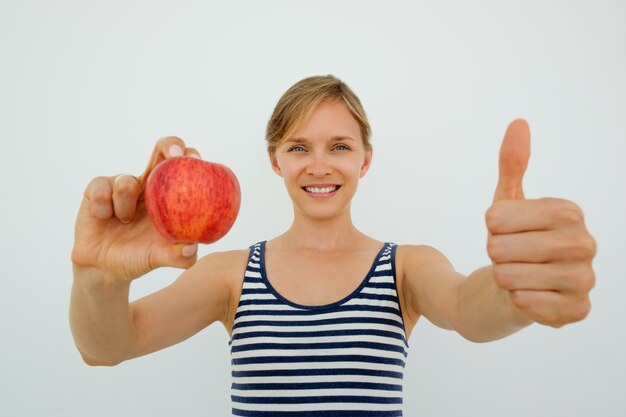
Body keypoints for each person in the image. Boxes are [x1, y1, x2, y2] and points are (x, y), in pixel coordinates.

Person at [70, 75, 596, 416]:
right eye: (299, 147)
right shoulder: (232, 275)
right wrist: (97, 278)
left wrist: (512, 291)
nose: (319, 165)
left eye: (339, 147)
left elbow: (467, 308)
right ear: (275, 160)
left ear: (365, 159)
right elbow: (107, 347)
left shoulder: (405, 267)